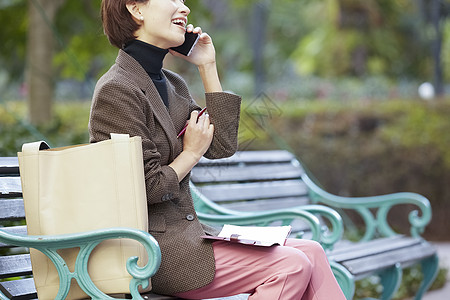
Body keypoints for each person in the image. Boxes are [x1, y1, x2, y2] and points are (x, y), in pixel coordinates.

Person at [89, 0, 346, 299]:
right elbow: (143, 189)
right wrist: (190, 154)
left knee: (312, 251)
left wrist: (207, 65)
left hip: (188, 238)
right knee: (290, 265)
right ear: (136, 9)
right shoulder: (117, 89)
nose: (184, 8)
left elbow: (221, 146)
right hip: (147, 250)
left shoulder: (171, 83)